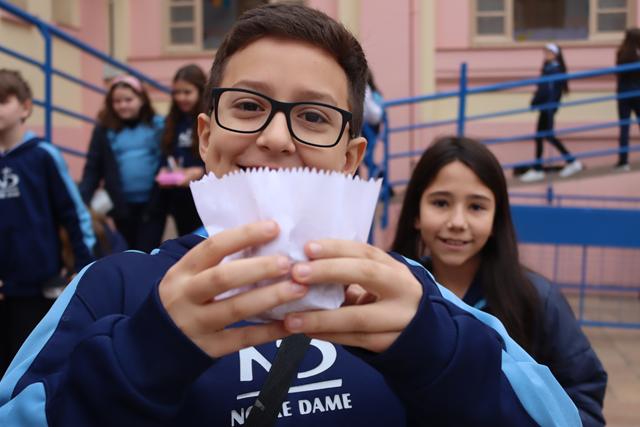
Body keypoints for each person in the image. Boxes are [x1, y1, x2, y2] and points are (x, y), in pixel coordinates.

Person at [0, 5, 581, 426]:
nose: (277, 137)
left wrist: (437, 350)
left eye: (314, 116)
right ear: (205, 136)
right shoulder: (115, 287)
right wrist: (138, 358)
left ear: (351, 158)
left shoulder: (405, 291)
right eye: (248, 105)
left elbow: (561, 417)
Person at [391, 136, 607, 426]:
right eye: (441, 203)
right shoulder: (389, 295)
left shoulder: (537, 299)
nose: (457, 222)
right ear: (415, 214)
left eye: (476, 207)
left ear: (496, 219)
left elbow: (582, 397)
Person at [0, 69, 95, 374]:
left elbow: (73, 213)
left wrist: (83, 264)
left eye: (3, 101)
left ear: (25, 107)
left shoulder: (43, 155)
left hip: (36, 286)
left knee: (26, 365)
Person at [79, 75, 165, 252]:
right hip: (121, 207)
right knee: (126, 252)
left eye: (128, 100)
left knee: (148, 252)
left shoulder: (157, 126)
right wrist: (82, 200)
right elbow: (93, 167)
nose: (123, 105)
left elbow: (164, 161)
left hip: (153, 206)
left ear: (142, 100)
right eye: (117, 101)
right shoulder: (103, 130)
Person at [154, 64, 206, 236]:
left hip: (204, 193)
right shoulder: (172, 120)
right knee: (185, 240)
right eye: (176, 92)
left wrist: (200, 171)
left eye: (187, 92)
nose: (180, 97)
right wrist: (164, 170)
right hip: (179, 196)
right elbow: (167, 152)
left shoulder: (210, 118)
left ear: (201, 91)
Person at [521, 43, 583, 183]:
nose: (546, 55)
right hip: (546, 106)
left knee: (544, 136)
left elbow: (546, 90)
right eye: (546, 52)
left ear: (556, 54)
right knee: (544, 136)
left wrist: (536, 101)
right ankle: (568, 162)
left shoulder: (554, 70)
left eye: (549, 52)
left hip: (548, 107)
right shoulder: (550, 68)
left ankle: (544, 168)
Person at [614, 28, 640, 172]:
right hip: (637, 93)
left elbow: (618, 73)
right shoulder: (638, 54)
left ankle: (623, 161)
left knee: (624, 127)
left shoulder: (621, 52)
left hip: (623, 94)